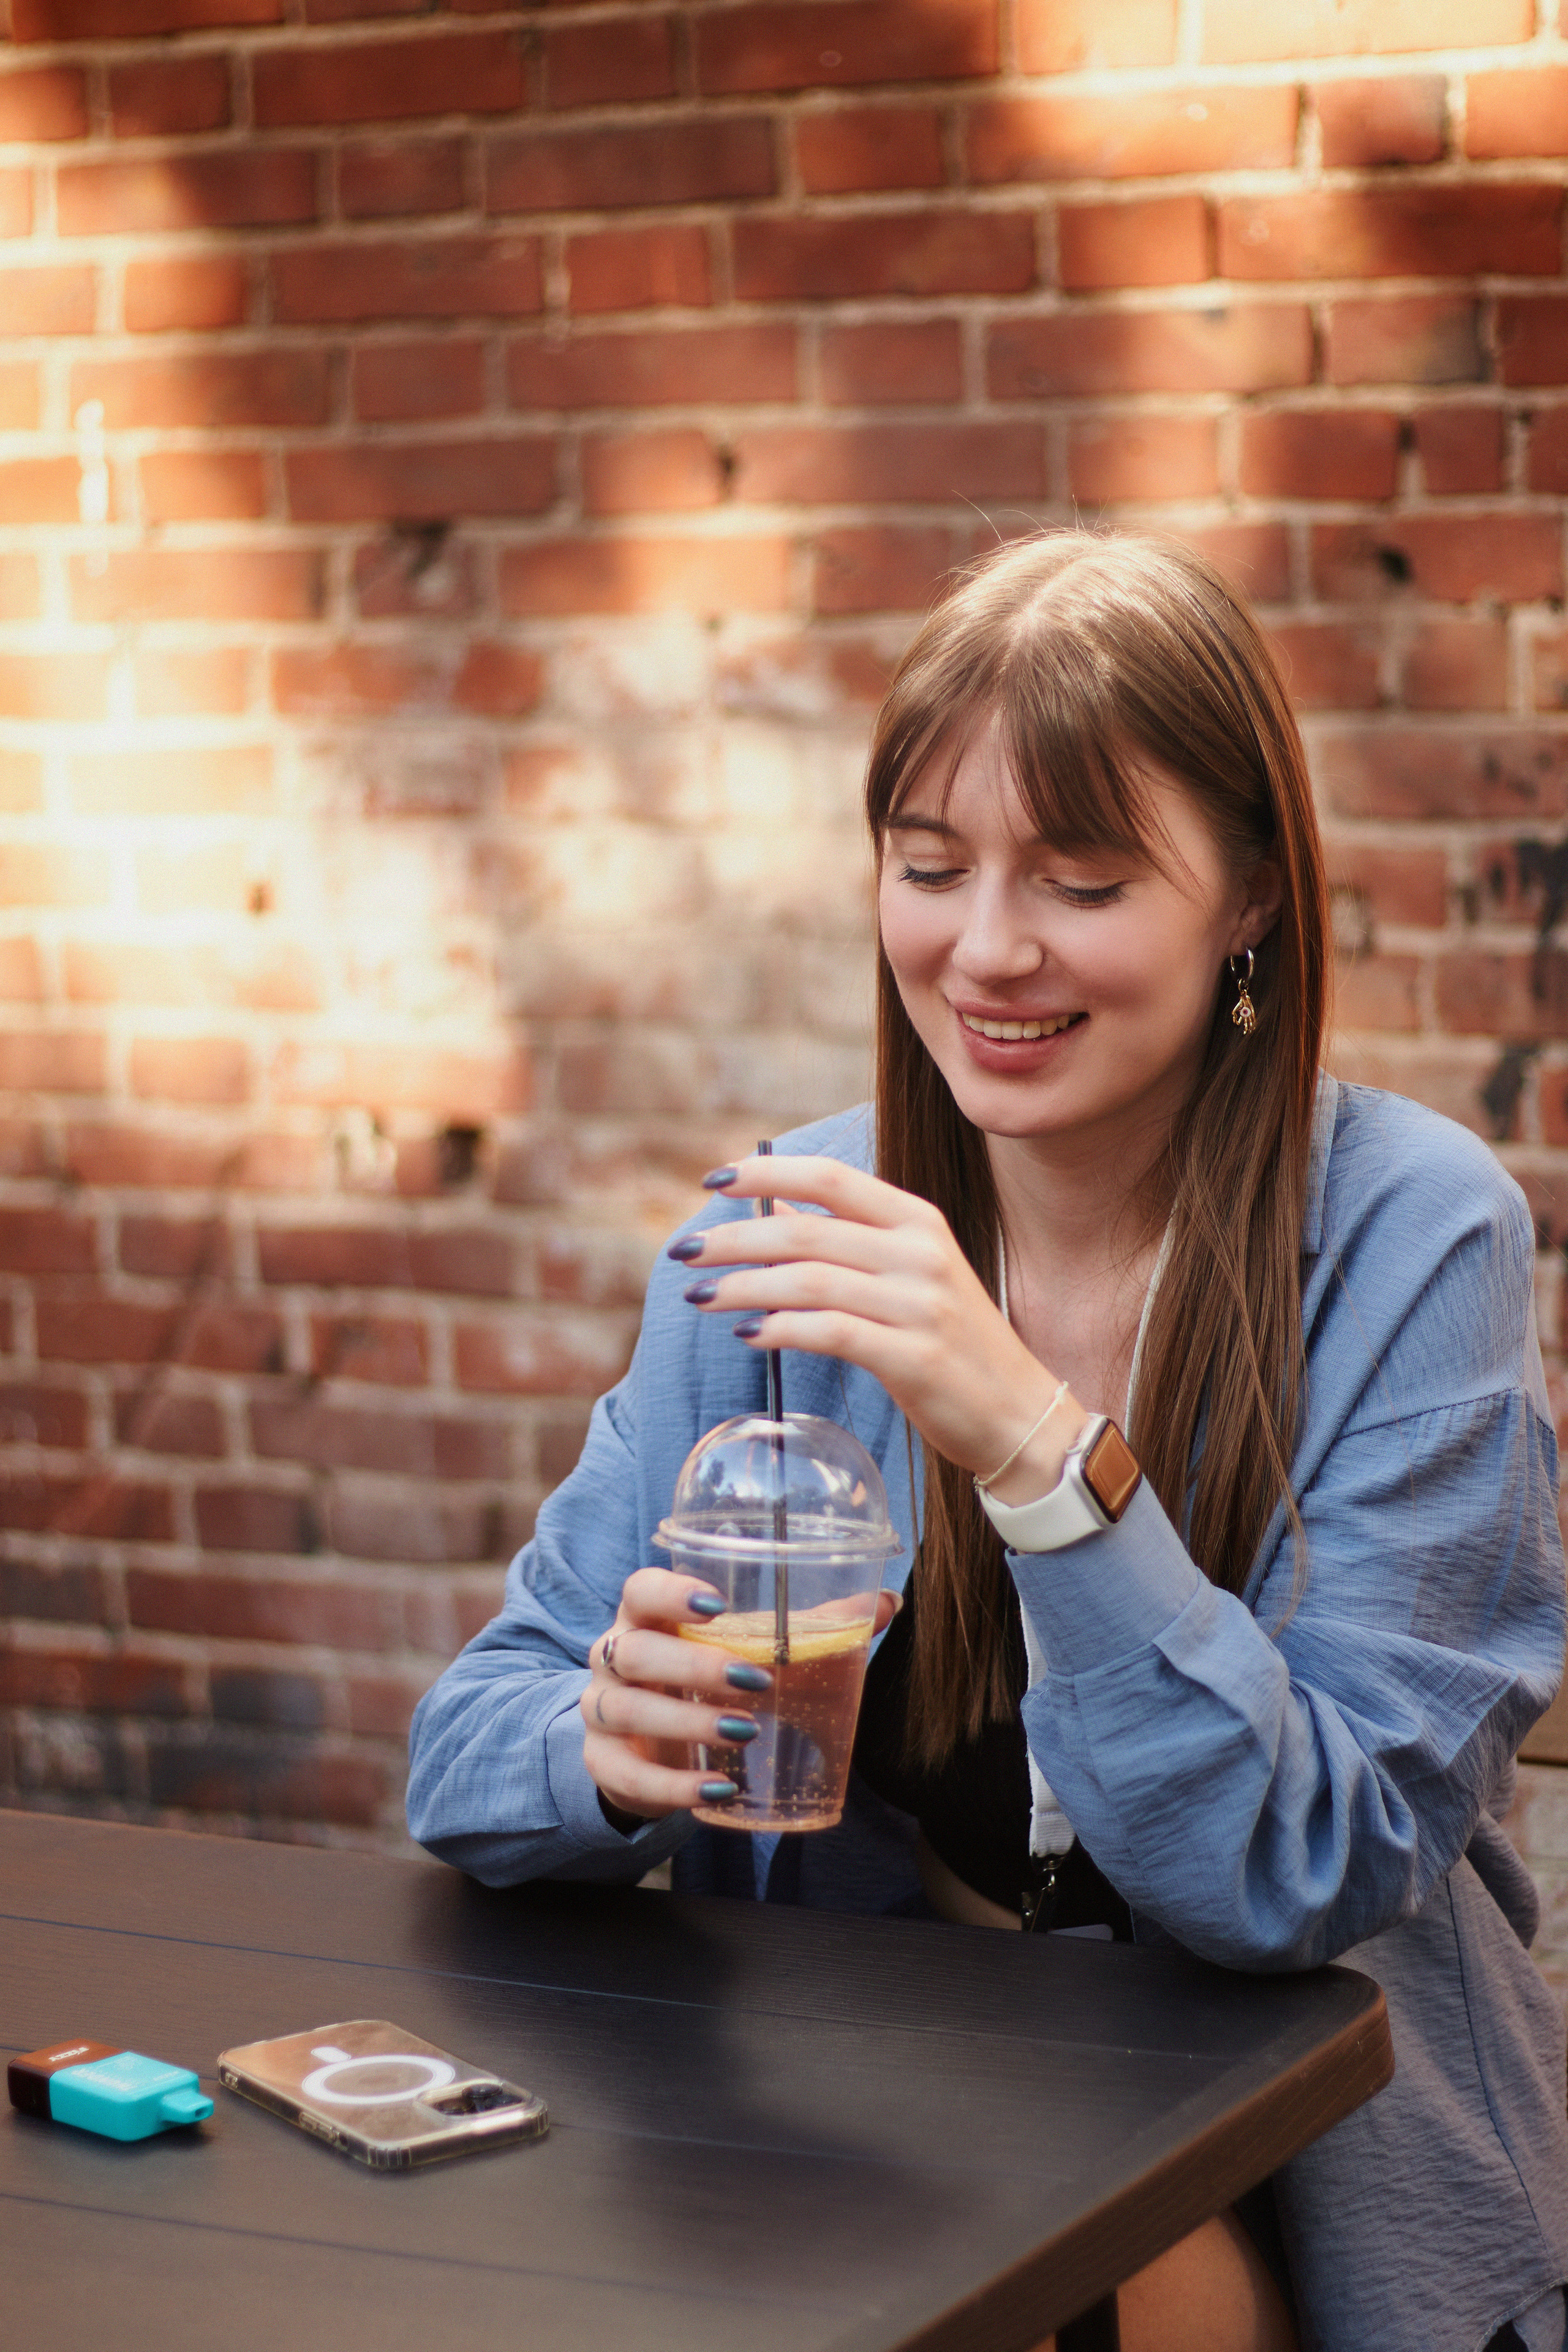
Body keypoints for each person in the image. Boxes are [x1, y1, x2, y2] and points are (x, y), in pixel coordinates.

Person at [407, 532, 1568, 2352]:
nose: (990, 949)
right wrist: (602, 1745)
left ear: (1250, 894)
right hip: (860, 2123)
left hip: (1288, 2151)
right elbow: (468, 1748)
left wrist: (1039, 1450)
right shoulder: (782, 1242)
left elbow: (1307, 1867)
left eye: (1084, 881)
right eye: (930, 868)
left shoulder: (1416, 1240)